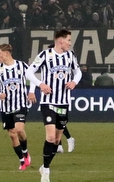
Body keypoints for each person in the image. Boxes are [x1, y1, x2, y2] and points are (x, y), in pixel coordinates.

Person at [26, 28, 82, 182]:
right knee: (50, 137)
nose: (70, 43)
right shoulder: (45, 55)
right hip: (48, 102)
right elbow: (29, 72)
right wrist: (40, 84)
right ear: (60, 40)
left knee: (57, 141)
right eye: (69, 40)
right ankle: (46, 172)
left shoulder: (71, 56)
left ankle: (44, 167)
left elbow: (78, 72)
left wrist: (74, 81)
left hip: (63, 102)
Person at [0, 43, 36, 171]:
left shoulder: (21, 66)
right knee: (12, 135)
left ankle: (26, 151)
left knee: (19, 129)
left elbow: (32, 78)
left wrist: (31, 91)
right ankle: (22, 160)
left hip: (21, 103)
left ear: (6, 53)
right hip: (6, 107)